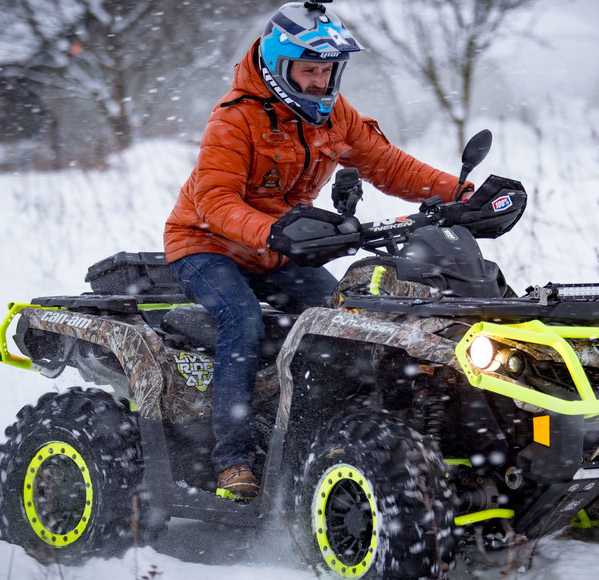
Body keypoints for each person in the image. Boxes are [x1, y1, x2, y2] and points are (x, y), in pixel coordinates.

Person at [163, 0, 472, 500]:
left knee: (346, 319)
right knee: (241, 320)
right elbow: (214, 202)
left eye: (328, 71)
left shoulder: (335, 114)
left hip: (280, 248)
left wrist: (463, 194)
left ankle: (319, 435)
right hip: (205, 246)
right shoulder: (234, 120)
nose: (319, 83)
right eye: (309, 70)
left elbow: (390, 166)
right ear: (277, 66)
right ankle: (234, 462)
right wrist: (273, 233)